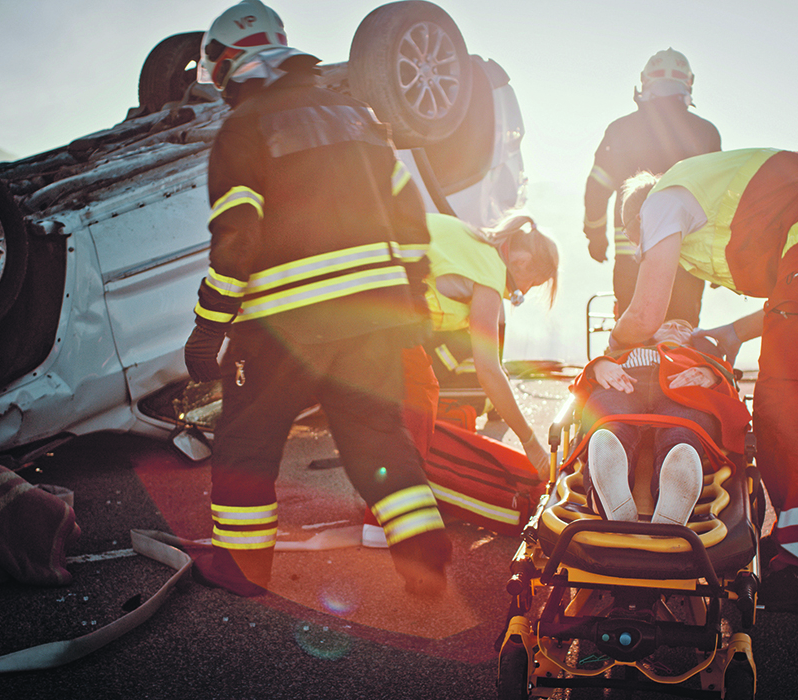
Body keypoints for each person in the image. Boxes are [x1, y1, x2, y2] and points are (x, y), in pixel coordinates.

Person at [183, 0, 449, 597]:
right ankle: (422, 549)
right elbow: (411, 221)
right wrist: (411, 301)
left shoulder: (243, 128)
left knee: (247, 441)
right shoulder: (358, 117)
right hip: (371, 317)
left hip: (282, 324)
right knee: (376, 434)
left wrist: (209, 324)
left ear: (229, 61)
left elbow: (238, 235)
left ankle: (246, 569)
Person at [611, 148, 798, 618]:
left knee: (784, 411)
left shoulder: (660, 200)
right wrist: (732, 333)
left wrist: (614, 347)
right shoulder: (720, 191)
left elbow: (647, 312)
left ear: (637, 225)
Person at [362, 212, 560, 546]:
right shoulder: (491, 275)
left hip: (360, 288)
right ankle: (383, 522)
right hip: (374, 309)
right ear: (522, 261)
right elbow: (490, 371)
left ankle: (389, 499)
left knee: (407, 392)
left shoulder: (472, 238)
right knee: (420, 395)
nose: (521, 294)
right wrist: (530, 443)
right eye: (529, 287)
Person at [583, 48, 720, 327]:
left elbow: (597, 188)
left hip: (633, 255)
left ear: (645, 82)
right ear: (688, 83)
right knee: (680, 335)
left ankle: (630, 369)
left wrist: (595, 236)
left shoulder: (620, 130)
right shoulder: (706, 133)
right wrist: (717, 258)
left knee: (633, 330)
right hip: (688, 257)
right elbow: (718, 198)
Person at [575, 320, 750, 526]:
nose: (675, 328)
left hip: (683, 389)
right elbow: (583, 386)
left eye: (684, 327)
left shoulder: (703, 359)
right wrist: (599, 366)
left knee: (682, 430)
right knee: (609, 423)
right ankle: (606, 493)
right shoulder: (628, 351)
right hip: (627, 381)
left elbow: (727, 382)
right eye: (666, 325)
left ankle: (674, 491)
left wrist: (712, 375)